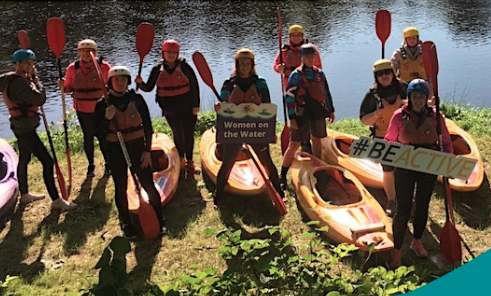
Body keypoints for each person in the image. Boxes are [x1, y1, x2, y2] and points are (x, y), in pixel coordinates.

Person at [384, 79, 453, 268]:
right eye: (414, 96)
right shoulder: (399, 116)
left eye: (421, 97)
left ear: (427, 98)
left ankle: (417, 241)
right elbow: (389, 140)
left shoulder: (436, 117)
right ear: (409, 97)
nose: (418, 100)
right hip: (405, 167)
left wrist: (447, 161)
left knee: (423, 205)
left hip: (427, 167)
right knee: (403, 210)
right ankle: (397, 250)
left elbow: (446, 143)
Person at [0, 49, 77, 210]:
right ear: (17, 64)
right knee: (48, 161)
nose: (30, 66)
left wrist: (30, 78)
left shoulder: (8, 79)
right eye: (26, 63)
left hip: (19, 125)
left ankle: (25, 194)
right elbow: (40, 98)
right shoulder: (20, 83)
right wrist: (36, 79)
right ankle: (57, 201)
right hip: (25, 128)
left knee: (24, 158)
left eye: (31, 63)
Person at [94, 66, 165, 239]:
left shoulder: (137, 99)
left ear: (128, 81)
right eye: (116, 80)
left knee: (148, 183)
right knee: (121, 186)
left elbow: (148, 127)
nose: (120, 83)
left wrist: (147, 152)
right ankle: (126, 223)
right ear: (110, 82)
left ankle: (159, 219)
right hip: (115, 150)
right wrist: (106, 119)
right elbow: (97, 131)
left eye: (124, 80)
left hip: (138, 148)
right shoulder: (103, 104)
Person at [213, 48, 284, 208]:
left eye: (248, 63)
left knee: (268, 161)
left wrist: (271, 131)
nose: (244, 67)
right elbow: (223, 105)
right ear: (237, 65)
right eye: (242, 64)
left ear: (252, 65)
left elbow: (267, 107)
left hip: (256, 129)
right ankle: (218, 196)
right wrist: (219, 106)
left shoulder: (260, 84)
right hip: (234, 131)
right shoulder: (229, 84)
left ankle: (279, 193)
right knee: (227, 163)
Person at [135, 39, 200, 174]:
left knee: (188, 134)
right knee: (177, 133)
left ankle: (190, 161)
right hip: (169, 108)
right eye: (168, 52)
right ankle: (181, 158)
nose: (171, 55)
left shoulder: (185, 67)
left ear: (178, 54)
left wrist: (196, 105)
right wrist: (140, 83)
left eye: (174, 53)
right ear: (163, 53)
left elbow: (194, 85)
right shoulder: (157, 69)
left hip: (187, 106)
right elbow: (148, 88)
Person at [278, 43, 335, 191]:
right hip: (301, 114)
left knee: (317, 142)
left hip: (317, 112)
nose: (310, 59)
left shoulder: (320, 74)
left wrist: (331, 110)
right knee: (294, 145)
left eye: (312, 56)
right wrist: (292, 118)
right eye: (307, 57)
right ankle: (282, 175)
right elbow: (289, 97)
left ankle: (319, 172)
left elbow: (326, 92)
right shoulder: (295, 75)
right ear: (301, 58)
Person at [359, 59, 407, 217]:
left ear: (393, 73)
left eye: (387, 72)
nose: (384, 76)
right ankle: (392, 201)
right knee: (388, 171)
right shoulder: (372, 95)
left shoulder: (404, 88)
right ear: (376, 76)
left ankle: (406, 200)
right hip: (383, 137)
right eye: (380, 74)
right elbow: (364, 120)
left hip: (405, 137)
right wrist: (377, 113)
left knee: (405, 171)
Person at [59, 39, 111, 177]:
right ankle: (91, 165)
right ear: (79, 52)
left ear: (95, 52)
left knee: (103, 136)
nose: (87, 53)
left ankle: (108, 163)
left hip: (100, 107)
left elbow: (111, 85)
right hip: (83, 109)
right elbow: (68, 88)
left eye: (90, 51)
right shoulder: (72, 68)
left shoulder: (104, 67)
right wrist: (63, 86)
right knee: (88, 137)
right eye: (83, 51)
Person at [273, 24, 323, 154]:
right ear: (290, 37)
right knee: (296, 116)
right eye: (293, 36)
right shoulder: (284, 51)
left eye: (298, 35)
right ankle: (304, 143)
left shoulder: (311, 50)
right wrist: (279, 68)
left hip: (309, 90)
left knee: (310, 114)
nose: (296, 38)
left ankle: (312, 138)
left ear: (302, 36)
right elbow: (276, 65)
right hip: (292, 90)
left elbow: (318, 67)